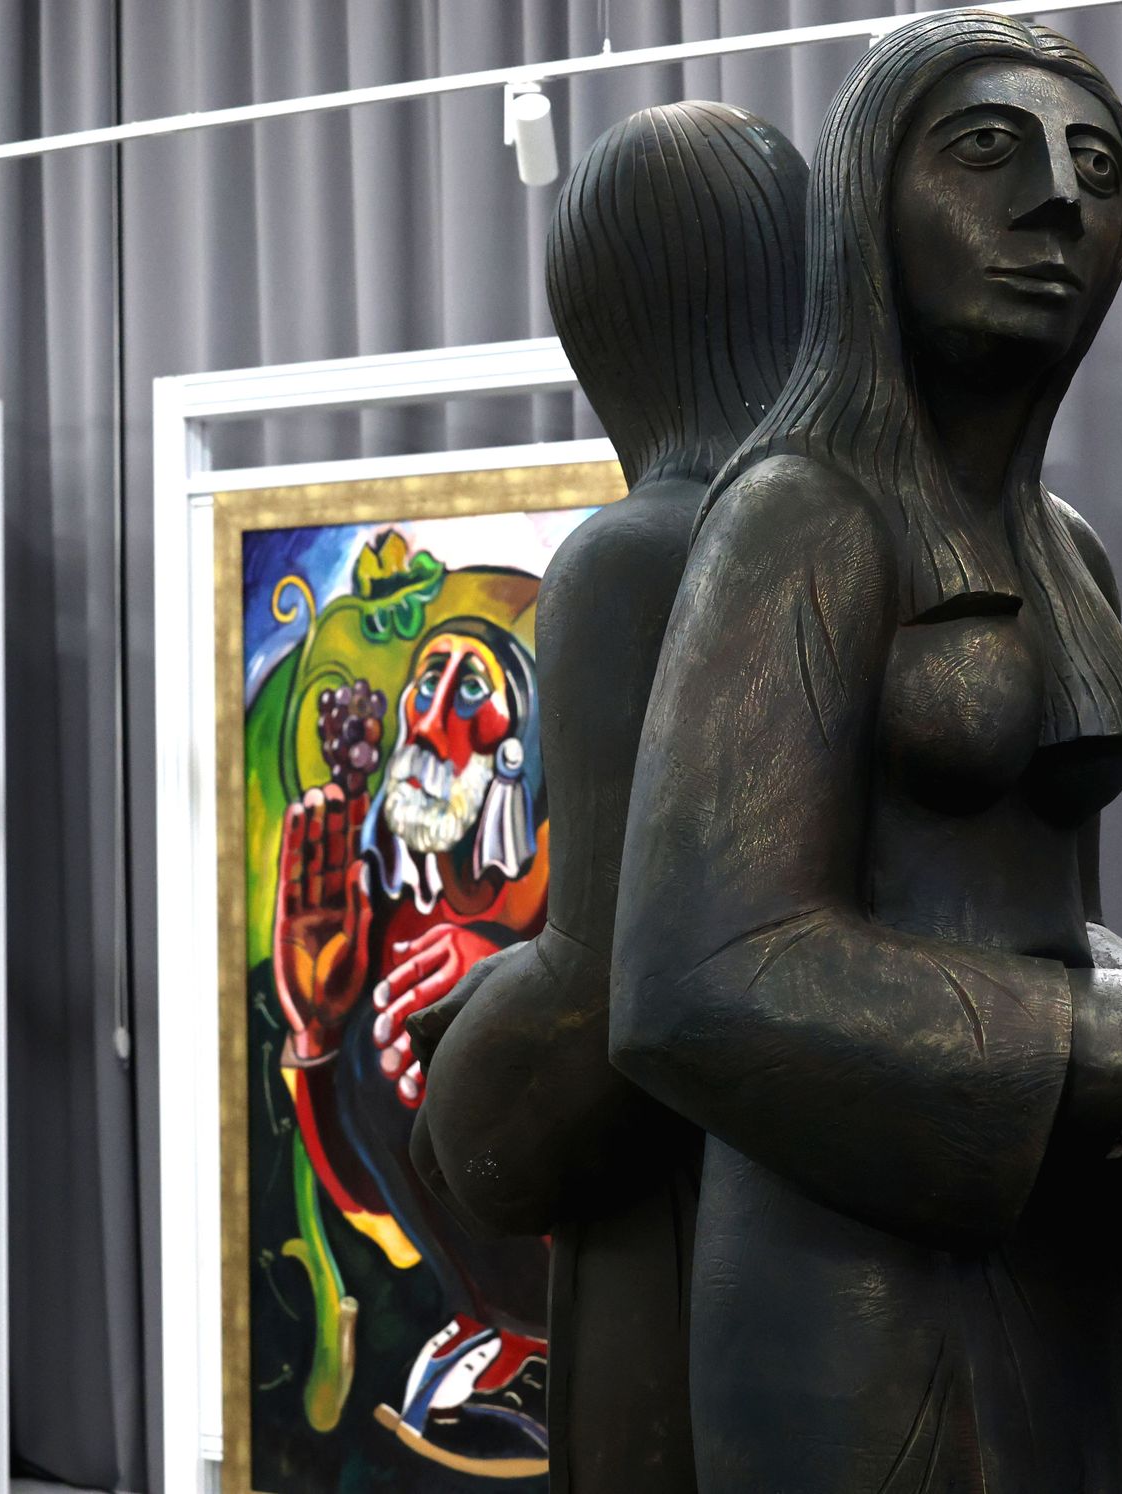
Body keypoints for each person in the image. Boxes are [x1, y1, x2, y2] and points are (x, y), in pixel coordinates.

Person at [608, 15, 1122, 1491]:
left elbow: (1045, 922)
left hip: (1042, 1252)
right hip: (841, 1287)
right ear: (866, 203)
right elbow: (691, 978)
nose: (1058, 199)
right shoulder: (797, 515)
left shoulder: (1066, 551)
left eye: (1099, 167)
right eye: (989, 149)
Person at [408, 100, 807, 1493]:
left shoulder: (632, 560)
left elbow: (607, 990)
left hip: (686, 1240)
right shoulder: (902, 537)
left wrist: (462, 1090)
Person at [274, 610, 551, 1474]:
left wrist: (505, 978)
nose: (432, 721)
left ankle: (537, 1341)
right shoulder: (385, 913)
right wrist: (316, 1029)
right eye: (427, 684)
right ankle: (491, 1325)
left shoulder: (565, 886)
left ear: (521, 744)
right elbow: (369, 1202)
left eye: (470, 691)